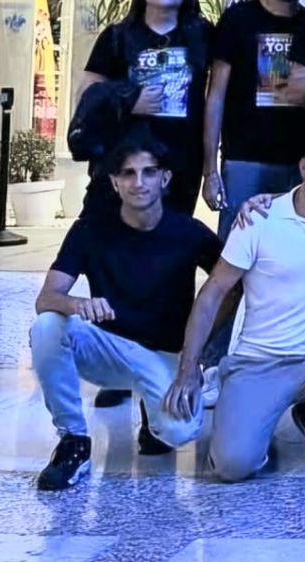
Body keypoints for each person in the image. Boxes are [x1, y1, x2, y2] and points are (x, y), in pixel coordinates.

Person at [166, 127, 305, 480]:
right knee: (233, 466)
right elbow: (213, 292)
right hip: (258, 362)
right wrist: (189, 369)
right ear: (303, 165)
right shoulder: (259, 217)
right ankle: (246, 414)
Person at [29, 136, 221, 490]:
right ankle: (73, 440)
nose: (139, 182)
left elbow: (231, 286)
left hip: (165, 354)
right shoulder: (90, 229)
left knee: (180, 430)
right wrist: (77, 304)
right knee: (47, 327)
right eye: (128, 174)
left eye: (149, 172)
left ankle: (153, 414)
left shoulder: (189, 232)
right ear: (115, 182)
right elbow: (47, 298)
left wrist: (196, 357)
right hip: (110, 350)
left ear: (165, 178)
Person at [78, 0, 212, 216]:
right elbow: (87, 94)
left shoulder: (203, 35)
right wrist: (128, 99)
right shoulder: (116, 36)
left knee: (172, 232)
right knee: (106, 228)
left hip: (181, 158)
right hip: (123, 156)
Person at [203, 0, 305, 228]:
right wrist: (210, 171)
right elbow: (215, 96)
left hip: (302, 163)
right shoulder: (238, 19)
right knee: (239, 244)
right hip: (245, 160)